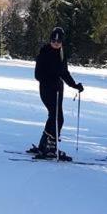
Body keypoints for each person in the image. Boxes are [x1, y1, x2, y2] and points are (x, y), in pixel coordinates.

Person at [31, 26, 83, 161]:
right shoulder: (44, 52)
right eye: (53, 40)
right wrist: (51, 80)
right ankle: (51, 148)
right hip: (47, 90)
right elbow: (38, 75)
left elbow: (64, 72)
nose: (56, 43)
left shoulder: (61, 53)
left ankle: (44, 145)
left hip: (58, 90)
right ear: (50, 40)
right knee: (57, 118)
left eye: (58, 41)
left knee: (54, 117)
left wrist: (74, 85)